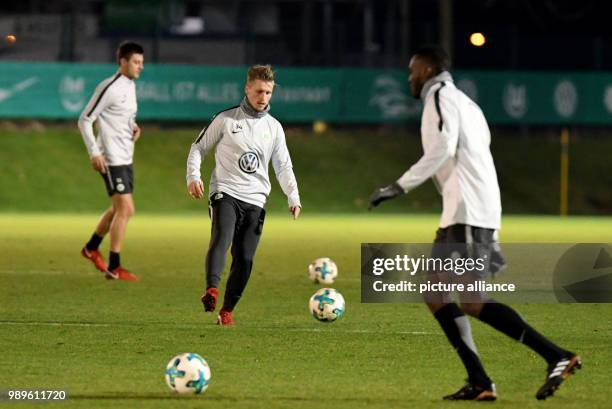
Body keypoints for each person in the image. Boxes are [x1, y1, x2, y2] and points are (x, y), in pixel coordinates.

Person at [368, 45, 581, 401]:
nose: (410, 77)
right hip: (467, 209)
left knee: (471, 298)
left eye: (413, 70)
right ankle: (480, 381)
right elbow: (478, 145)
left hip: (468, 211)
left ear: (427, 69)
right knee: (436, 293)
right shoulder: (466, 102)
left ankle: (555, 355)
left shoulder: (439, 95)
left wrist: (399, 185)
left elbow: (443, 147)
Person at [186, 64, 301, 326]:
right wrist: (193, 176)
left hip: (256, 201)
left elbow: (283, 166)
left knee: (245, 258)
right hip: (225, 192)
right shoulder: (226, 119)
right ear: (247, 89)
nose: (264, 98)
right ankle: (211, 289)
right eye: (259, 91)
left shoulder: (274, 128)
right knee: (222, 237)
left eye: (269, 93)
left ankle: (227, 310)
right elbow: (198, 148)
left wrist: (293, 197)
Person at [78, 41, 144, 281]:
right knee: (125, 209)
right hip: (110, 157)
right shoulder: (110, 86)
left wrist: (133, 127)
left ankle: (91, 247)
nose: (140, 66)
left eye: (141, 62)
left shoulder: (130, 86)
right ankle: (114, 266)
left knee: (121, 209)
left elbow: (123, 117)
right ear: (123, 61)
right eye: (136, 62)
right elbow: (85, 119)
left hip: (126, 156)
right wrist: (94, 152)